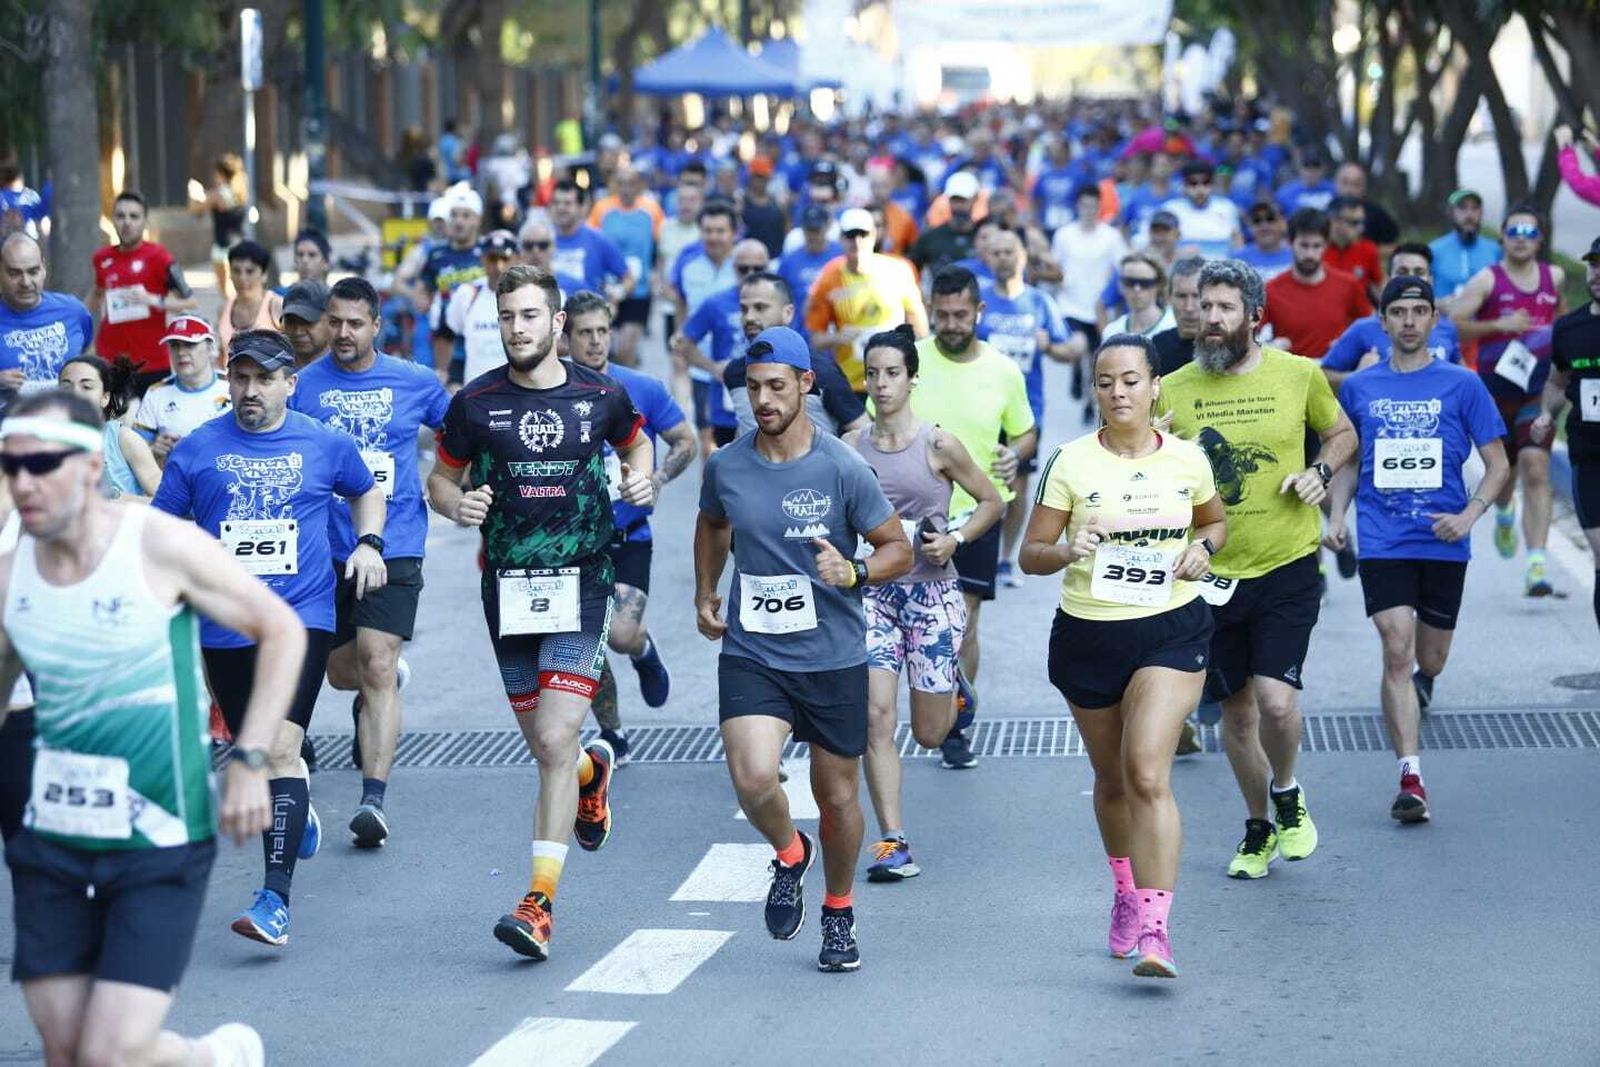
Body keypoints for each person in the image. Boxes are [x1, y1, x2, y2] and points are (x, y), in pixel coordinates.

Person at [1, 390, 307, 1067]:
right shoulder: (10, 578)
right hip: (52, 837)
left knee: (109, 1052)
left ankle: (216, 1056)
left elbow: (280, 628)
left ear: (90, 466)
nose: (23, 482)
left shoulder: (155, 544)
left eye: (42, 463)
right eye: (11, 464)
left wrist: (251, 759)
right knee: (65, 1051)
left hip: (158, 835)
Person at [426, 265, 654, 961]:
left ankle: (539, 904)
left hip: (583, 584)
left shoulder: (600, 395)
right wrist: (456, 503)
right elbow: (440, 477)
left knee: (555, 739)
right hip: (509, 591)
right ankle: (591, 776)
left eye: (529, 316)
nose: (517, 328)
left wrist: (640, 476)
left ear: (556, 323)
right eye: (507, 317)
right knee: (547, 746)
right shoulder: (475, 402)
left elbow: (635, 442)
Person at [152, 329, 388, 946]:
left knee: (278, 748)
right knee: (256, 754)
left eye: (263, 379)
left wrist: (368, 543)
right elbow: (160, 529)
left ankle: (273, 901)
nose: (250, 390)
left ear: (290, 383)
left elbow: (366, 490)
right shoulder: (197, 450)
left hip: (300, 618)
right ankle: (295, 807)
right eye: (241, 378)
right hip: (223, 625)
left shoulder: (324, 442)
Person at [694, 325, 911, 972]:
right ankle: (791, 851)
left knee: (838, 796)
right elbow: (713, 521)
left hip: (832, 655)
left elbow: (897, 548)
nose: (763, 400)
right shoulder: (727, 464)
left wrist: (857, 571)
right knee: (754, 775)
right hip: (754, 651)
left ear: (806, 386)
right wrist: (706, 589)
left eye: (776, 387)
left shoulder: (842, 468)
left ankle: (838, 908)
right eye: (753, 388)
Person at [1022, 332, 1228, 978]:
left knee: (1145, 772)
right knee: (1112, 780)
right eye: (1106, 382)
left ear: (1155, 386)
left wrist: (1203, 549)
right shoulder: (1071, 462)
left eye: (1131, 380)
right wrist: (1068, 548)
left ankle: (1157, 930)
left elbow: (1214, 522)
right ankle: (1125, 891)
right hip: (1090, 635)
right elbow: (1031, 555)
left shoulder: (1188, 459)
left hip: (1172, 629)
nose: (1118, 392)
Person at [1155, 258, 1357, 880]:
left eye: (1225, 308)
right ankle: (1258, 825)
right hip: (1210, 574)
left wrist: (1320, 471)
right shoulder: (1174, 387)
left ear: (1255, 317)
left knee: (1275, 701)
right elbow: (1142, 464)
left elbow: (1342, 434)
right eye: (1204, 307)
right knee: (1236, 713)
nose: (1211, 318)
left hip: (1286, 563)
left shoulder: (1298, 374)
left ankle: (1287, 788)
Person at [1325, 277, 1509, 824]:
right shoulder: (1360, 387)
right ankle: (1410, 777)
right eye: (1399, 312)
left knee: (1430, 660)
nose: (1408, 321)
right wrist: (1336, 517)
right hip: (1383, 538)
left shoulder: (1463, 385)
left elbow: (1498, 465)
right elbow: (1350, 460)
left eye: (1419, 311)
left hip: (1444, 540)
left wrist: (1469, 516)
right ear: (1382, 322)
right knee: (1396, 649)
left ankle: (1420, 690)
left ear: (1434, 319)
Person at [290, 278, 450, 846]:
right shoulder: (303, 386)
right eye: (334, 321)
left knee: (377, 664)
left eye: (355, 323)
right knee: (340, 672)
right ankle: (380, 678)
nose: (343, 333)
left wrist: (451, 484)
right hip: (323, 547)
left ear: (376, 326)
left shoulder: (415, 381)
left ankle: (372, 802)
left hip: (394, 540)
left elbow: (460, 436)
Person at [852, 325, 1002, 881]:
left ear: (912, 379)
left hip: (931, 592)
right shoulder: (851, 448)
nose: (881, 384)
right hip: (873, 594)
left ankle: (957, 691)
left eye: (892, 373)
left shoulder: (938, 445)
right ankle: (893, 842)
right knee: (875, 716)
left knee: (930, 734)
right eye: (873, 374)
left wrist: (955, 540)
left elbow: (991, 502)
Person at [912, 267, 1037, 768]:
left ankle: (955, 725)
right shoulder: (910, 362)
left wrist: (1015, 454)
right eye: (941, 315)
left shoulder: (1004, 370)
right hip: (911, 515)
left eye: (960, 314)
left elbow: (1025, 431)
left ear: (979, 312)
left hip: (977, 512)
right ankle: (924, 706)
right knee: (916, 624)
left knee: (962, 623)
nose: (950, 324)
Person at [563, 291, 696, 758]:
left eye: (603, 331)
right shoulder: (552, 393)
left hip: (628, 537)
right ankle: (613, 732)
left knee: (619, 634)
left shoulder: (642, 387)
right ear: (565, 338)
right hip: (571, 543)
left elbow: (685, 441)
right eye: (585, 333)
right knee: (588, 643)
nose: (596, 341)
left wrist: (657, 478)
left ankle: (642, 650)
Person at [1452, 204, 1566, 596]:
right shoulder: (1488, 279)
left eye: (1529, 232)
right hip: (1494, 393)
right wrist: (1496, 324)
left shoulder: (1554, 277)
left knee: (1535, 466)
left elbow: (1563, 321)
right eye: (1514, 231)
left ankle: (1536, 566)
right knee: (1504, 472)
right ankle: (1503, 511)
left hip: (1538, 390)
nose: (1521, 238)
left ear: (1540, 239)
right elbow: (1452, 325)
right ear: (1501, 236)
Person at [977, 228, 1077, 585]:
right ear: (988, 258)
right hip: (982, 407)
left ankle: (1005, 557)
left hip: (1026, 408)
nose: (1003, 258)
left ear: (1022, 257)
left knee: (1018, 484)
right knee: (980, 480)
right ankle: (980, 549)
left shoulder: (1039, 302)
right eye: (996, 252)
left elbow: (1069, 350)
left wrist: (1049, 346)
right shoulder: (980, 300)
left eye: (1009, 252)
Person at [1533, 237, 1600, 633]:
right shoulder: (1569, 328)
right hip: (1590, 456)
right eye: (1594, 264)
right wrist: (1546, 413)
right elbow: (1558, 382)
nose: (1598, 273)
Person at [722, 272, 867, 437]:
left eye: (760, 308)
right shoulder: (735, 373)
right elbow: (745, 429)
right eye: (744, 309)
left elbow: (862, 433)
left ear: (788, 313)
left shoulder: (820, 371)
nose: (749, 317)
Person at [805, 208, 928, 394]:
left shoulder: (899, 270)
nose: (857, 242)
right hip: (851, 383)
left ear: (874, 235)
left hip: (893, 380)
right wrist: (837, 337)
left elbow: (919, 327)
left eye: (863, 234)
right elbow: (815, 339)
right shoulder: (829, 277)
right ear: (841, 238)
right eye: (850, 235)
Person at [89, 192, 197, 391]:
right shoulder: (102, 258)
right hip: (111, 359)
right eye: (120, 216)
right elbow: (96, 295)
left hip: (152, 362)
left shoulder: (160, 257)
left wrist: (152, 300)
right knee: (112, 412)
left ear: (145, 221)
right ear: (112, 219)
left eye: (134, 216)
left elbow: (190, 302)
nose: (127, 223)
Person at [1322, 244, 1463, 389]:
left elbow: (1462, 379)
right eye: (1402, 272)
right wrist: (1357, 377)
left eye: (1419, 272)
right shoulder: (1362, 329)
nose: (1410, 278)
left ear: (1431, 280)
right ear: (1389, 279)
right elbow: (1323, 375)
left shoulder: (1447, 329)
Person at [0, 233, 94, 415]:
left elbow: (91, 363)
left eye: (33, 271)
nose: (25, 282)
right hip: (12, 429)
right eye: (15, 273)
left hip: (70, 425)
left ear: (43, 268)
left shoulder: (74, 310)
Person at [1260, 209, 1371, 359]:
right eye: (1304, 246)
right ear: (1290, 244)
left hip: (1334, 369)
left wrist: (1350, 345)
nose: (1310, 254)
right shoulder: (1271, 290)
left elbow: (1370, 329)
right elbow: (1250, 338)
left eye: (1316, 246)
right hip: (1291, 370)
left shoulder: (1349, 285)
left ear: (1326, 245)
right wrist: (1269, 347)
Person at [55, 355, 161, 499]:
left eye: (86, 387)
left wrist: (115, 498)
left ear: (105, 398)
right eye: (66, 387)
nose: (75, 393)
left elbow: (167, 503)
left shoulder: (123, 439)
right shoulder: (46, 442)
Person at [131, 316, 231, 466]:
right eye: (174, 345)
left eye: (190, 344)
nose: (181, 352)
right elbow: (134, 451)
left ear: (210, 347)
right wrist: (153, 449)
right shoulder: (156, 393)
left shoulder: (231, 386)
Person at [587, 168, 662, 367]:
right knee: (609, 350)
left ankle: (629, 377)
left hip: (639, 289)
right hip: (609, 289)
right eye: (621, 183)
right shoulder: (602, 209)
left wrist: (657, 274)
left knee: (625, 348)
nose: (625, 189)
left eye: (630, 184)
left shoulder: (651, 210)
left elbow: (660, 244)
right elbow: (591, 243)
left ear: (639, 186)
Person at [417, 183, 485, 387]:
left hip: (481, 338)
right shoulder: (436, 254)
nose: (458, 221)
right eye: (454, 215)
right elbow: (422, 289)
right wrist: (422, 300)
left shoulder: (488, 253)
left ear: (477, 219)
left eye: (465, 216)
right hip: (446, 341)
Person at [1049, 184, 1128, 347]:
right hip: (1069, 306)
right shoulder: (1063, 234)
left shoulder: (1112, 237)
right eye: (1084, 206)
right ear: (1077, 206)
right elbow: (1054, 267)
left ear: (1099, 207)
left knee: (1098, 355)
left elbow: (1124, 268)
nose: (1088, 211)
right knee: (1077, 347)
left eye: (1093, 206)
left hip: (1101, 310)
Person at [445, 230, 519, 386]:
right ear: (482, 259)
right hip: (475, 390)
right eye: (492, 259)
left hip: (516, 391)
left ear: (517, 259)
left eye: (505, 259)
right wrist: (453, 379)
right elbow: (452, 338)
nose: (498, 266)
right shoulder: (467, 294)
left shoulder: (530, 298)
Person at [550, 180, 635, 301]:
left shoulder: (599, 240)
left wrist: (616, 294)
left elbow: (628, 279)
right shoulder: (540, 242)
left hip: (588, 309)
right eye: (556, 203)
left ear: (581, 207)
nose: (560, 208)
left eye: (567, 203)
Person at [776, 204, 845, 327]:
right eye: (809, 230)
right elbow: (779, 297)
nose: (812, 236)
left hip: (834, 327)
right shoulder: (789, 261)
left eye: (817, 230)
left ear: (827, 228)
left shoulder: (840, 255)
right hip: (800, 328)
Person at [1428, 189, 1501, 303]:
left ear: (1481, 213)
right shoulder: (1434, 250)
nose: (1469, 215)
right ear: (1451, 213)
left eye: (1475, 208)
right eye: (1462, 208)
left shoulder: (1496, 250)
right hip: (1445, 313)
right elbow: (1422, 294)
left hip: (1488, 313)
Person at [1160, 160, 1241, 259]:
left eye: (1205, 182)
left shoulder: (1227, 207)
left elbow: (1237, 243)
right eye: (1193, 183)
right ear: (1184, 186)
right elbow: (1161, 246)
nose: (1200, 189)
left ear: (1212, 184)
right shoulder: (1171, 209)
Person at [910, 171, 981, 278]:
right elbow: (912, 269)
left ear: (975, 198)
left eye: (963, 200)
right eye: (954, 200)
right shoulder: (931, 237)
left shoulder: (984, 236)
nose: (958, 206)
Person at [217, 241, 284, 355]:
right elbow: (221, 353)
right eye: (236, 271)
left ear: (264, 274)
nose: (242, 278)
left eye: (250, 271)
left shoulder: (276, 305)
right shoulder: (223, 309)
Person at [1323, 195, 1383, 304]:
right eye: (1354, 222)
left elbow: (1378, 286)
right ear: (1334, 221)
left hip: (1358, 311)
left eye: (1362, 222)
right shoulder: (1315, 249)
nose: (1361, 228)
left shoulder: (1368, 249)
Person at [1151, 256, 1205, 375]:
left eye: (1197, 296)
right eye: (1181, 296)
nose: (1189, 307)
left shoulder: (1226, 349)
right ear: (1168, 297)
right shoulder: (1157, 346)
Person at [1332, 160, 1400, 252]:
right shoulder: (1327, 212)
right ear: (1336, 183)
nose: (1350, 189)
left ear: (1363, 187)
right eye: (1345, 182)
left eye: (1356, 184)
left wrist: (1366, 253)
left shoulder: (1377, 215)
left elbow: (1392, 246)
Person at [279, 279, 332, 371]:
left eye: (308, 322)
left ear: (331, 321)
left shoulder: (349, 368)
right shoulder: (272, 368)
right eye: (291, 322)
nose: (298, 331)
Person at [1235, 202, 1292, 282]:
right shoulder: (1237, 261)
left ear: (1283, 224)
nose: (1264, 226)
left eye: (1270, 219)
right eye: (1257, 221)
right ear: (1250, 226)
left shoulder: (1297, 256)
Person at [1273, 145, 1336, 216]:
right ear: (1300, 169)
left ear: (1323, 169)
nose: (1311, 172)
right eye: (1307, 168)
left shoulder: (1334, 189)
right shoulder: (1284, 193)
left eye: (1316, 168)